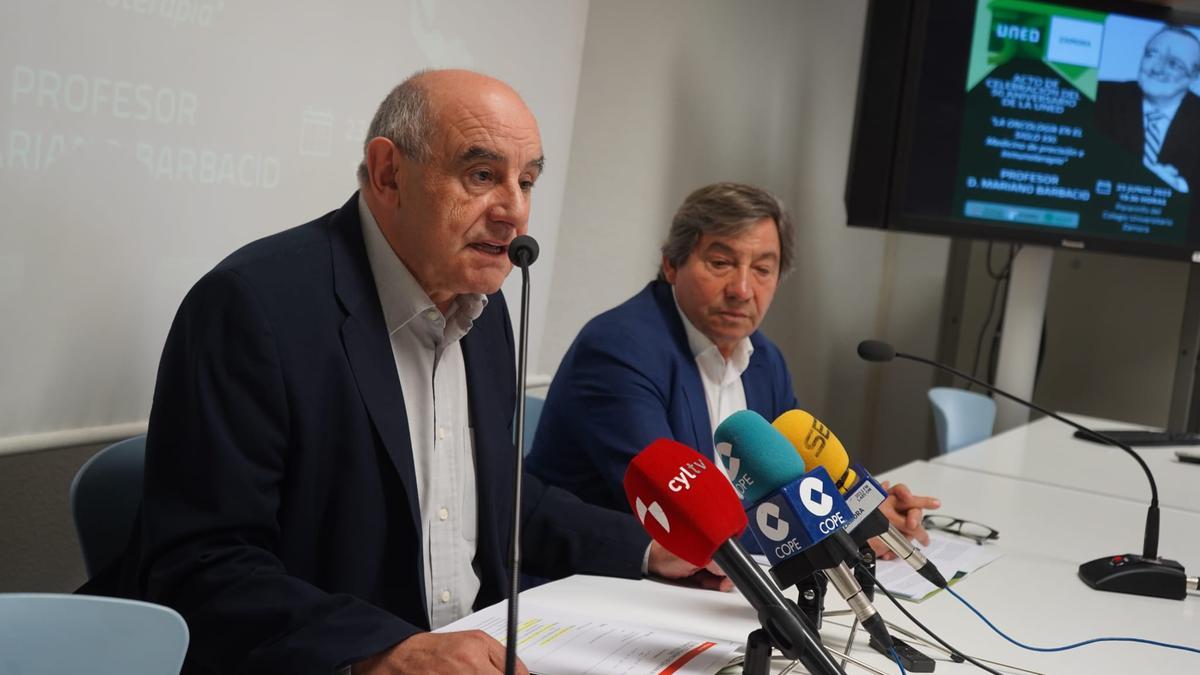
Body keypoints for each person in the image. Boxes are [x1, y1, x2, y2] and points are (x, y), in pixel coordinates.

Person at [124, 70, 726, 675]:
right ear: (388, 173)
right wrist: (384, 651)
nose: (514, 212)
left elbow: (501, 499)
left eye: (527, 181)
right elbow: (203, 564)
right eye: (482, 175)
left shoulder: (483, 313)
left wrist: (651, 548)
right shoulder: (252, 308)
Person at [526, 183, 938, 552]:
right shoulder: (620, 351)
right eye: (721, 263)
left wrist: (867, 509)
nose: (742, 290)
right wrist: (843, 530)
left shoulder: (765, 360)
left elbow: (798, 483)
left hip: (713, 585)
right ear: (672, 264)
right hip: (592, 588)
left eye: (762, 270)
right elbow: (686, 517)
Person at [1096, 25, 1200, 194]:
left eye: (1173, 64)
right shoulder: (1099, 96)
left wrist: (1180, 187)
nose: (1157, 68)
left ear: (1194, 77)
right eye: (1151, 55)